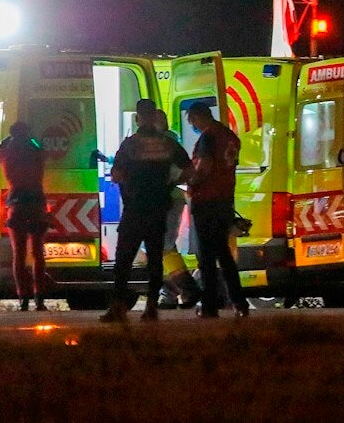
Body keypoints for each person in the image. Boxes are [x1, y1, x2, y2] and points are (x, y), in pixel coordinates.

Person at [101, 98, 192, 323]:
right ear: (153, 116)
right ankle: (151, 308)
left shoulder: (131, 144)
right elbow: (189, 169)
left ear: (138, 117)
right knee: (155, 260)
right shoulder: (167, 144)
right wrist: (171, 183)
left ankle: (118, 308)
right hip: (158, 208)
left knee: (124, 260)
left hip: (134, 209)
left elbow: (117, 174)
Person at [186, 101, 250, 318]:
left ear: (198, 116)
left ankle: (210, 306)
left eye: (191, 120)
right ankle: (239, 303)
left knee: (206, 257)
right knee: (224, 255)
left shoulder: (208, 137)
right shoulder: (230, 137)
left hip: (206, 201)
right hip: (224, 201)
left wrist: (190, 182)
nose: (191, 124)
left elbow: (204, 167)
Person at [0, 121, 49, 312]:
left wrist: (7, 141)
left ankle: (23, 299)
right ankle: (40, 298)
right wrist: (33, 140)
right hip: (36, 203)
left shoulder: (7, 153)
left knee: (19, 255)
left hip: (16, 204)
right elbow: (43, 152)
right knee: (37, 254)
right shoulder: (36, 151)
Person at [153, 108, 200, 309]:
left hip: (167, 199)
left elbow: (187, 171)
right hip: (166, 199)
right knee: (163, 246)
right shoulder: (169, 142)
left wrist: (170, 183)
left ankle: (186, 289)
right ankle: (172, 293)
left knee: (163, 245)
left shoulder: (165, 143)